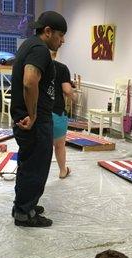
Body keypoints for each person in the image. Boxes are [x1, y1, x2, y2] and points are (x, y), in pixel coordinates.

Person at [10, 11, 67, 227]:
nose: (62, 41)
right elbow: (29, 81)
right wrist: (33, 115)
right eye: (60, 36)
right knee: (36, 165)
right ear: (48, 31)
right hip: (34, 121)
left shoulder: (30, 44)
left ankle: (24, 204)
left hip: (30, 118)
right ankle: (25, 213)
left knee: (29, 163)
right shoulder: (39, 49)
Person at [51, 50, 75, 179]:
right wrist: (74, 96)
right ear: (55, 54)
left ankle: (39, 174)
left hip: (38, 111)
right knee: (59, 145)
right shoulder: (61, 68)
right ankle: (62, 171)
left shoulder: (34, 66)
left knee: (41, 147)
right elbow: (67, 90)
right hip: (56, 111)